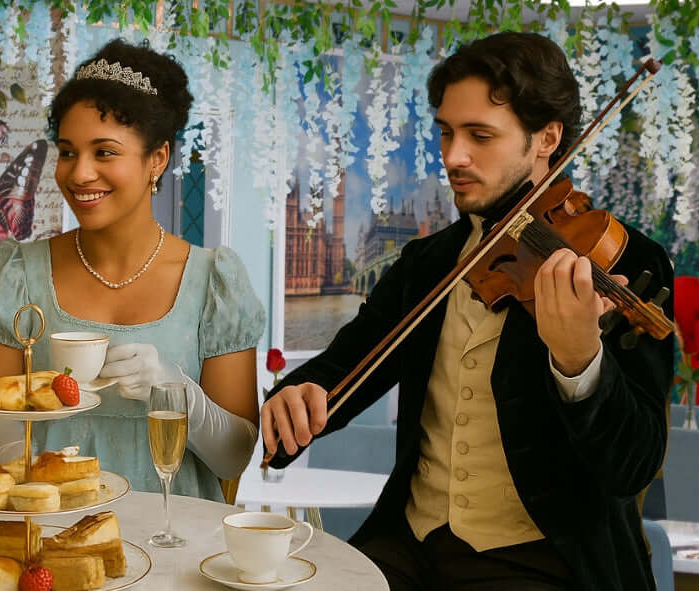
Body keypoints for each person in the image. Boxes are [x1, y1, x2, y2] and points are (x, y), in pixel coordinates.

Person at [259, 32, 675, 590]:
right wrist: (295, 396)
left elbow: (633, 464)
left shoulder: (629, 260)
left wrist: (580, 363)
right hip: (410, 544)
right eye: (447, 134)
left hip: (545, 561)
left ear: (546, 138)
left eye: (481, 136)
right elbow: (339, 370)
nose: (454, 156)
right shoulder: (427, 263)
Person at [0, 39, 263, 502]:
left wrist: (175, 390)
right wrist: (38, 481)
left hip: (176, 541)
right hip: (49, 531)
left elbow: (233, 458)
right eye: (67, 152)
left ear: (156, 160)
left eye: (104, 152)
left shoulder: (214, 282)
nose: (79, 173)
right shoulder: (17, 273)